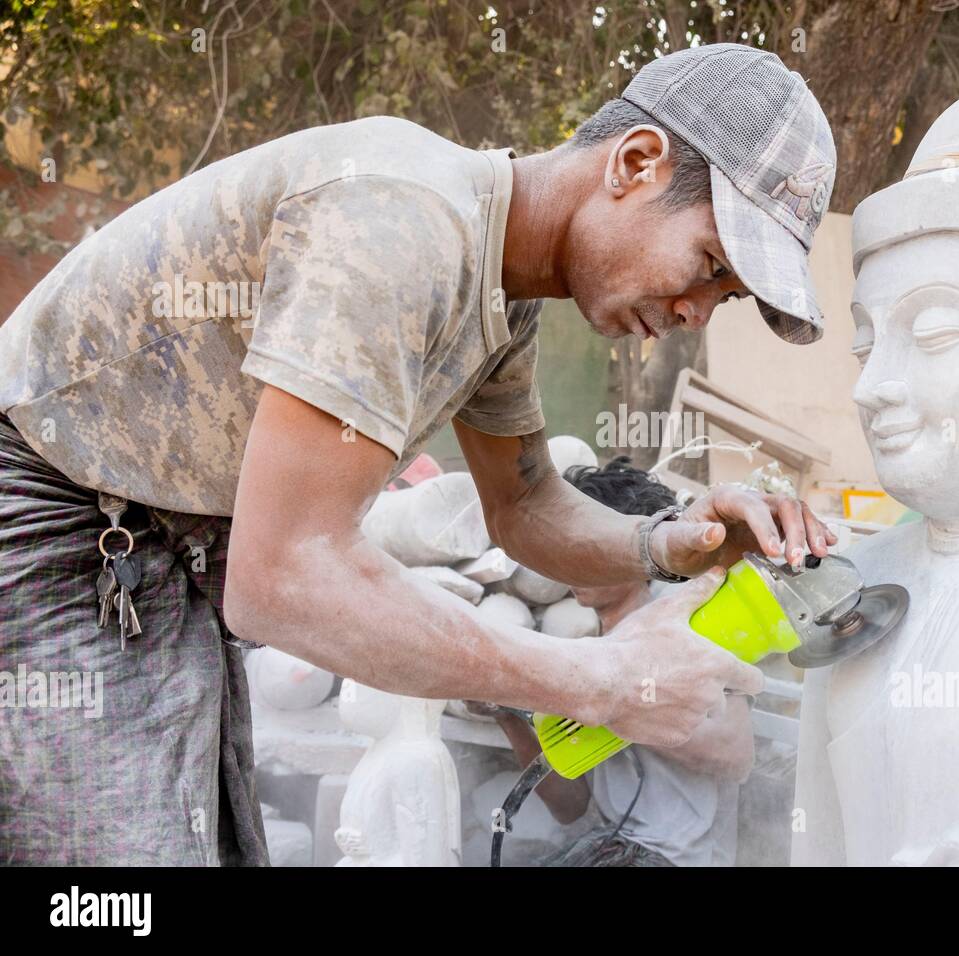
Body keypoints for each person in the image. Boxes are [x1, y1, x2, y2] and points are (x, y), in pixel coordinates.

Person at [0, 44, 837, 864]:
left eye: (722, 298)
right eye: (709, 264)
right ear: (637, 162)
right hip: (51, 521)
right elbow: (286, 577)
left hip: (153, 546)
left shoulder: (502, 291)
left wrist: (670, 542)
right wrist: (605, 682)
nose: (697, 312)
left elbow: (526, 508)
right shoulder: (403, 221)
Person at [482, 458, 752, 867]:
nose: (574, 565)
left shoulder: (693, 637)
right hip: (612, 843)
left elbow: (736, 756)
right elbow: (570, 806)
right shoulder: (594, 652)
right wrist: (507, 716)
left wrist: (616, 701)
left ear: (636, 552)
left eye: (591, 551)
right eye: (571, 551)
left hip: (674, 859)